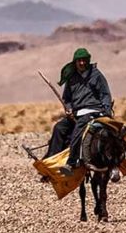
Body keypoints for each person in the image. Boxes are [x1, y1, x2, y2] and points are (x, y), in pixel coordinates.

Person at [42, 47, 113, 177]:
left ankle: (71, 163)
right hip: (76, 112)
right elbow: (67, 98)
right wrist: (68, 108)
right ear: (75, 62)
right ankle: (51, 162)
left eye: (84, 60)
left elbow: (105, 95)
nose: (81, 63)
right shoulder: (72, 78)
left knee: (78, 131)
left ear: (88, 61)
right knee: (59, 128)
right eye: (79, 61)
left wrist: (106, 112)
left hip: (93, 111)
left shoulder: (96, 75)